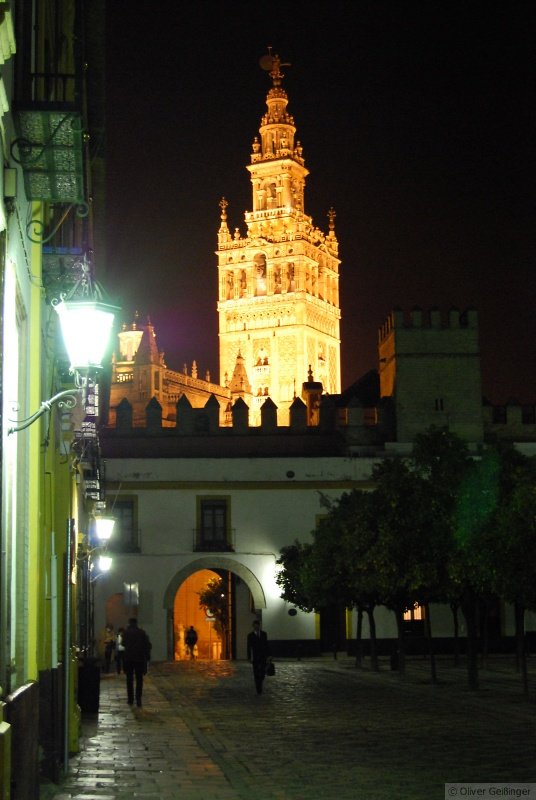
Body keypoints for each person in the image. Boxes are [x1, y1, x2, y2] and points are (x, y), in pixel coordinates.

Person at [123, 617, 152, 707]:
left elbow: (123, 643)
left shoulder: (126, 633)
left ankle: (130, 699)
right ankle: (138, 699)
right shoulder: (142, 633)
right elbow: (148, 645)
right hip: (139, 658)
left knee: (129, 679)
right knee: (139, 680)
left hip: (129, 658)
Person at [247, 620, 270, 695]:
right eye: (255, 625)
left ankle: (260, 682)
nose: (256, 627)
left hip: (263, 656)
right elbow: (249, 647)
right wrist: (249, 657)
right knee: (256, 672)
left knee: (263, 672)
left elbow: (266, 645)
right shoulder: (250, 635)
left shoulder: (264, 634)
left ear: (259, 626)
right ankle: (258, 689)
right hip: (255, 656)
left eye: (257, 625)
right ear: (253, 626)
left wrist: (269, 655)